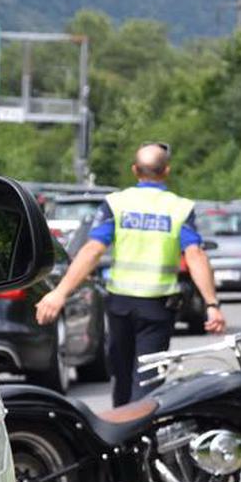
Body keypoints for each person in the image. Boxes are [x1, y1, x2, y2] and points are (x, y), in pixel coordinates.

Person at [36, 142, 226, 405]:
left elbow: (92, 250)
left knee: (122, 379)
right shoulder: (179, 208)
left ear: (135, 170)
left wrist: (59, 293)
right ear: (166, 171)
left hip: (120, 305)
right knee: (147, 381)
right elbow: (195, 255)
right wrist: (212, 305)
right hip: (158, 307)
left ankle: (122, 438)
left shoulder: (117, 204)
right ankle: (142, 438)